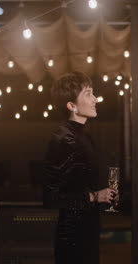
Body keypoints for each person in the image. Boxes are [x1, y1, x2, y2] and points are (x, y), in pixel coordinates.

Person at [43, 71, 117, 264]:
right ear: (72, 106)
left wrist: (104, 195)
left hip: (89, 229)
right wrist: (94, 196)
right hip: (72, 236)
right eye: (88, 94)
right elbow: (51, 198)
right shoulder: (62, 140)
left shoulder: (85, 137)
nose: (95, 99)